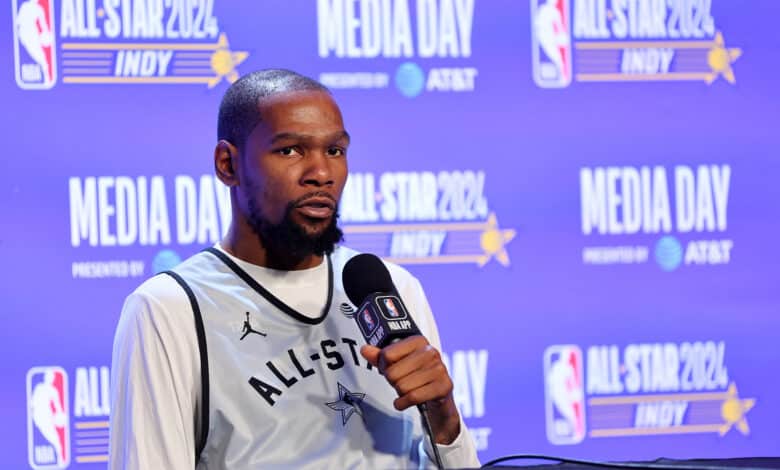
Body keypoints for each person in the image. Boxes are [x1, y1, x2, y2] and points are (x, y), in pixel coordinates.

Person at [109, 69, 480, 469]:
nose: (321, 173)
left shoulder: (392, 289)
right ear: (227, 164)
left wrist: (444, 421)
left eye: (335, 151)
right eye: (290, 150)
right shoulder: (171, 309)